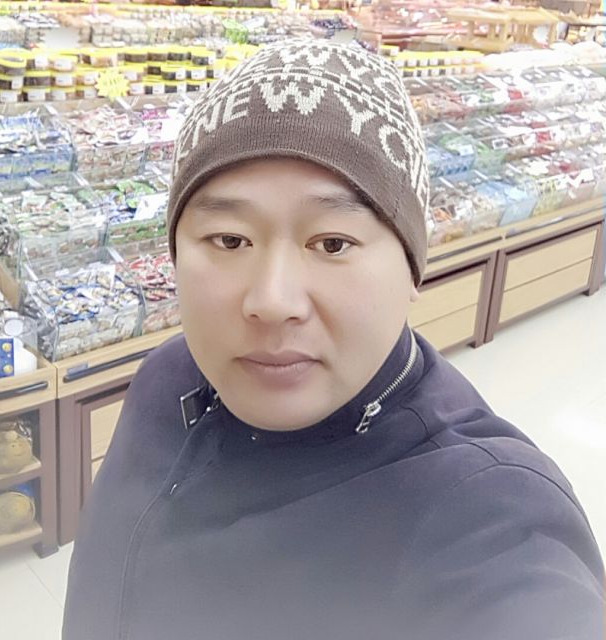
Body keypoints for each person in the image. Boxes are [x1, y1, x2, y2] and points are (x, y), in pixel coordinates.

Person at [63, 39, 605, 639]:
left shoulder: (487, 517)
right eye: (230, 240)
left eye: (332, 243)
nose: (272, 302)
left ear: (411, 267)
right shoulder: (166, 377)